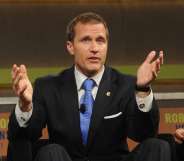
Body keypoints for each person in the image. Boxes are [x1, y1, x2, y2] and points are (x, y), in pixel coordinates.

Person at [8, 12, 171, 161]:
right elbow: (23, 136)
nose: (94, 48)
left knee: (157, 146)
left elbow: (145, 134)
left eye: (100, 41)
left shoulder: (125, 85)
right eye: (86, 40)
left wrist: (142, 89)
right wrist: (25, 105)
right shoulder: (48, 87)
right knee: (50, 151)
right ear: (70, 47)